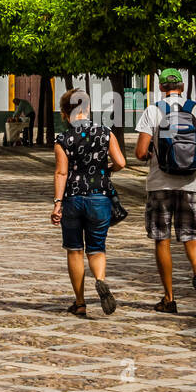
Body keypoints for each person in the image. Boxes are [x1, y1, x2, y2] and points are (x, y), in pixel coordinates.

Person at [135, 68, 196, 314]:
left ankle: (169, 299)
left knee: (162, 239)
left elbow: (140, 153)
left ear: (161, 87)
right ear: (182, 87)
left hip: (160, 184)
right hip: (191, 183)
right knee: (192, 235)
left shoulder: (153, 110)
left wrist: (151, 154)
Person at [51, 88, 126, 316]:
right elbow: (121, 162)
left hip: (73, 199)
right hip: (100, 198)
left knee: (74, 250)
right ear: (88, 108)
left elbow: (61, 173)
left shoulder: (63, 139)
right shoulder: (105, 133)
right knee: (96, 249)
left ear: (65, 112)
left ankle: (80, 302)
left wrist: (57, 204)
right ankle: (100, 280)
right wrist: (106, 169)